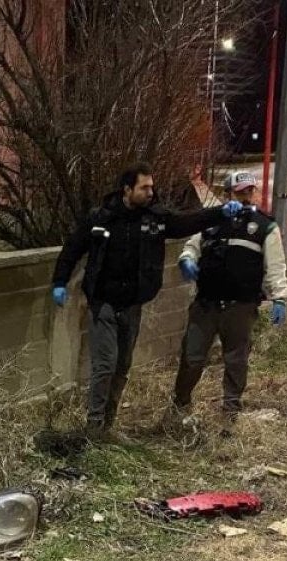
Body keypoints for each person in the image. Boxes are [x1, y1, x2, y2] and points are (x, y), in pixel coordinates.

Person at [51, 162, 242, 438]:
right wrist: (59, 282)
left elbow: (186, 222)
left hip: (132, 305)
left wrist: (219, 213)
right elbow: (72, 249)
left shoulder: (154, 219)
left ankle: (107, 424)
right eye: (144, 187)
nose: (150, 192)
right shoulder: (101, 218)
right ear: (127, 190)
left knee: (122, 366)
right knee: (105, 365)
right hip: (103, 303)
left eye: (152, 187)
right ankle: (93, 427)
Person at [170, 170, 287, 420]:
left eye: (249, 191)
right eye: (239, 193)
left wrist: (280, 297)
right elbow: (192, 246)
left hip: (240, 306)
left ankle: (231, 411)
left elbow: (276, 266)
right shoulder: (211, 222)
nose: (245, 197)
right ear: (227, 194)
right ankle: (180, 404)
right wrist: (186, 259)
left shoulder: (265, 227)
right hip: (206, 304)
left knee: (236, 360)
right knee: (192, 357)